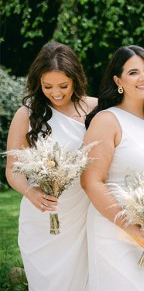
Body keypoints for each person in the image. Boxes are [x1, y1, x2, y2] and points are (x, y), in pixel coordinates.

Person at [81, 45, 144, 291]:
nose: (143, 78)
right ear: (118, 80)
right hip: (116, 229)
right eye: (133, 72)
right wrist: (130, 227)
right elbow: (91, 181)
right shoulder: (106, 120)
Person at [6, 41, 97, 291]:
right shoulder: (26, 114)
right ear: (38, 83)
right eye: (47, 86)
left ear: (76, 79)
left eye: (63, 86)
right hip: (42, 214)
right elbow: (13, 169)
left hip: (83, 211)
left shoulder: (95, 108)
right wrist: (30, 191)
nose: (56, 93)